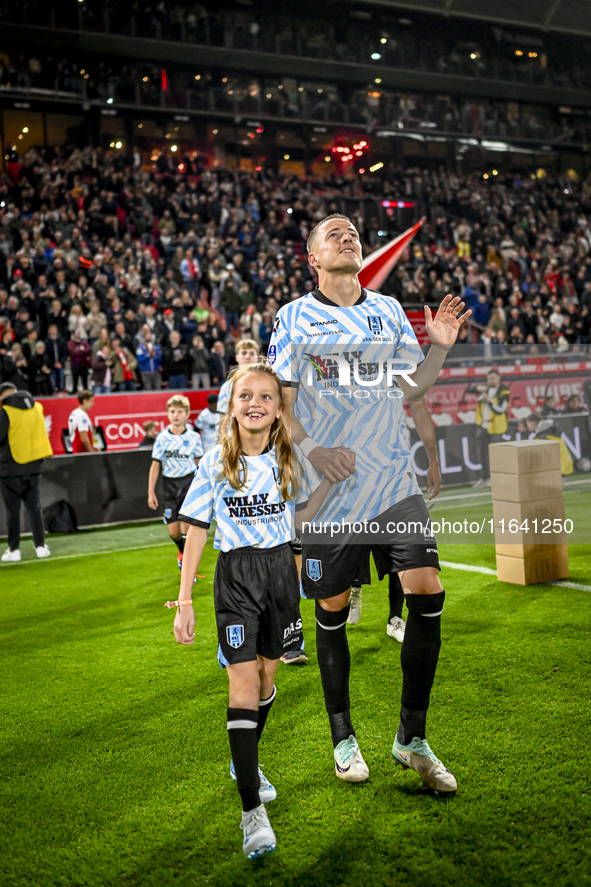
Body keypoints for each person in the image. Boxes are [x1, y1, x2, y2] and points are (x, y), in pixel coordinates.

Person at [268, 213, 470, 793]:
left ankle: (411, 739)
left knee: (427, 587)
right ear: (312, 258)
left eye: (351, 231)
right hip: (330, 488)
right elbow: (283, 400)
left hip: (391, 477)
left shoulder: (386, 310)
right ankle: (342, 736)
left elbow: (412, 388)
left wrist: (438, 350)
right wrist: (313, 449)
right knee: (331, 606)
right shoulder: (293, 318)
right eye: (332, 233)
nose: (346, 236)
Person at [172, 363, 335, 859]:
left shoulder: (291, 462)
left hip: (280, 577)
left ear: (278, 407)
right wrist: (185, 602)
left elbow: (302, 521)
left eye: (266, 395)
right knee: (243, 684)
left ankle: (244, 760)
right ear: (232, 405)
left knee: (267, 681)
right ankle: (251, 814)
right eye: (246, 395)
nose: (256, 403)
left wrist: (308, 573)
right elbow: (195, 531)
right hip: (237, 578)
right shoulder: (214, 464)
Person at [347, 397, 442, 644]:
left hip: (396, 479)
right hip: (357, 474)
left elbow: (419, 401)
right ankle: (355, 584)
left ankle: (394, 618)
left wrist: (433, 460)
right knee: (359, 537)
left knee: (401, 552)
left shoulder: (396, 379)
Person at [147, 395, 203, 571]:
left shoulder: (194, 437)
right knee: (174, 531)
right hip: (169, 486)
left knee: (186, 525)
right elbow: (155, 465)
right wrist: (151, 492)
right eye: (172, 411)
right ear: (167, 414)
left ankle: (187, 565)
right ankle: (182, 553)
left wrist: (204, 486)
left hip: (188, 483)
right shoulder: (162, 438)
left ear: (186, 414)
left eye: (180, 411)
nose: (176, 415)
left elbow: (199, 463)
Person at [0, 381, 53, 562]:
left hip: (10, 468)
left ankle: (14, 550)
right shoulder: (37, 407)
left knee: (12, 512)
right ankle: (40, 546)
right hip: (34, 466)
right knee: (34, 508)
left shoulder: (5, 412)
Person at [471, 369, 510, 489]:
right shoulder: (485, 389)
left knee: (495, 455)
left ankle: (496, 478)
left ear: (498, 378)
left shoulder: (504, 392)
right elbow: (469, 390)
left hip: (496, 428)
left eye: (492, 379)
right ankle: (484, 477)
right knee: (481, 453)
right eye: (488, 379)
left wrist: (490, 402)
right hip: (483, 426)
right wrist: (477, 388)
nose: (489, 381)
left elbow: (501, 410)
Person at [217, 339, 260, 414]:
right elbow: (223, 419)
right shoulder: (227, 387)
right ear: (237, 357)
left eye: (252, 353)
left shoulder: (268, 384)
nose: (247, 357)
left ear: (257, 357)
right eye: (244, 353)